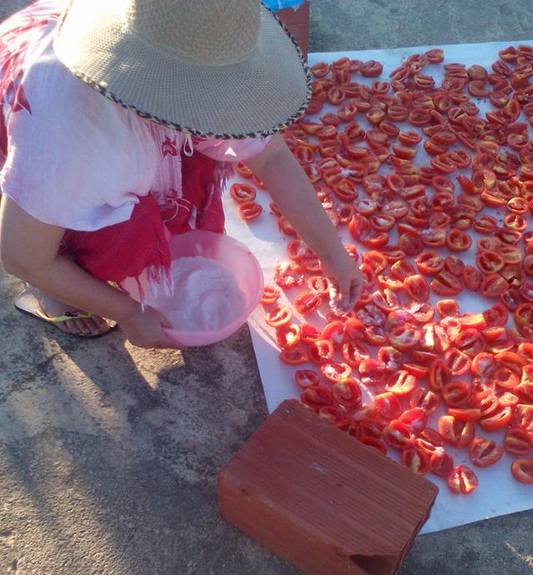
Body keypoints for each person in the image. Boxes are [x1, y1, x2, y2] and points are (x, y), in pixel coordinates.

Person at [0, 0, 362, 347]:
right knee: (100, 238)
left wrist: (331, 253)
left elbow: (271, 158)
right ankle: (52, 290)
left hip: (135, 48)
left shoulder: (198, 49)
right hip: (31, 106)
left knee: (196, 170)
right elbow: (20, 255)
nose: (226, 107)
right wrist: (127, 312)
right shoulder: (74, 134)